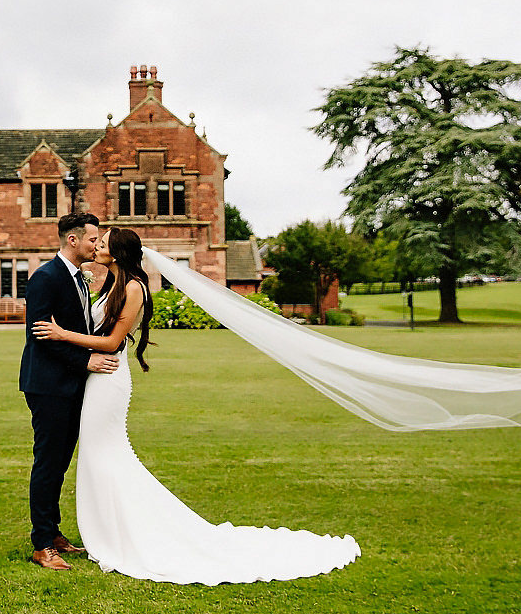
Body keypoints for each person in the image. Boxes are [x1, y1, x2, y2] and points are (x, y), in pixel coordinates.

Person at [33, 227, 361, 584]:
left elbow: (111, 342)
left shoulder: (132, 288)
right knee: (99, 456)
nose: (97, 246)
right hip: (95, 378)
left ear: (118, 252)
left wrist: (63, 335)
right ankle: (102, 529)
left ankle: (124, 531)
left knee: (106, 454)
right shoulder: (110, 284)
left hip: (109, 379)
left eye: (103, 242)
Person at [19, 212, 120, 571]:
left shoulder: (80, 277)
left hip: (71, 384)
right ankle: (42, 544)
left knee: (60, 464)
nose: (97, 245)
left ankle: (54, 531)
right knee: (48, 463)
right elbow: (41, 334)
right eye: (93, 239)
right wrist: (86, 361)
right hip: (48, 385)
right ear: (73, 240)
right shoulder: (46, 277)